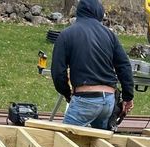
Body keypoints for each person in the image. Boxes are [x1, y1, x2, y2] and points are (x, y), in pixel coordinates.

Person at [51, 0, 134, 130]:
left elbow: (58, 72)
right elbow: (124, 66)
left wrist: (67, 94)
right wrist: (128, 97)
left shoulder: (66, 34)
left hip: (85, 99)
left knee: (65, 139)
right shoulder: (110, 35)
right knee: (100, 140)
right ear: (100, 13)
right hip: (108, 101)